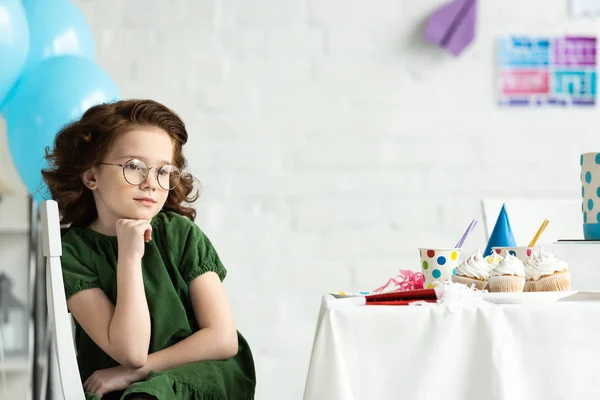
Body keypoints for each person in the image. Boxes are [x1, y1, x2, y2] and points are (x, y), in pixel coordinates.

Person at [41, 99, 256, 400]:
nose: (151, 183)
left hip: (197, 371)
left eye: (163, 171)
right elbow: (131, 351)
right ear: (91, 176)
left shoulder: (179, 234)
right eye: (134, 167)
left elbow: (223, 338)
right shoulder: (74, 253)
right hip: (117, 382)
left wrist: (136, 372)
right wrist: (129, 256)